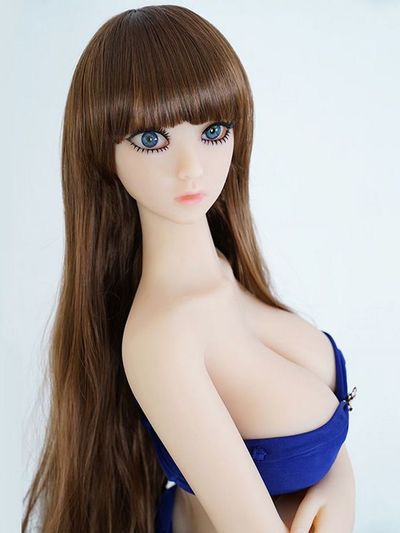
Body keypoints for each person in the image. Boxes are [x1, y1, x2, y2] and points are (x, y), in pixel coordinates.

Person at [22, 5, 356, 532]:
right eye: (151, 140)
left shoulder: (225, 269)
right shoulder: (162, 340)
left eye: (213, 130)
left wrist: (339, 483)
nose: (191, 168)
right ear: (103, 153)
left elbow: (326, 426)